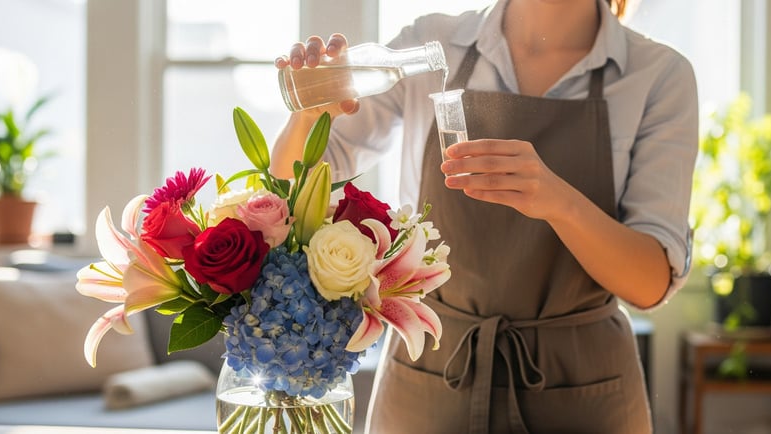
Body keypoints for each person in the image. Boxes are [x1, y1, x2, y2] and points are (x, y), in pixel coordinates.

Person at [271, 0, 698, 432]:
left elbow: (649, 283)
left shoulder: (658, 75)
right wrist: (308, 115)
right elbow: (298, 183)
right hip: (431, 373)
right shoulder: (429, 43)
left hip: (584, 389)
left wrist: (559, 201)